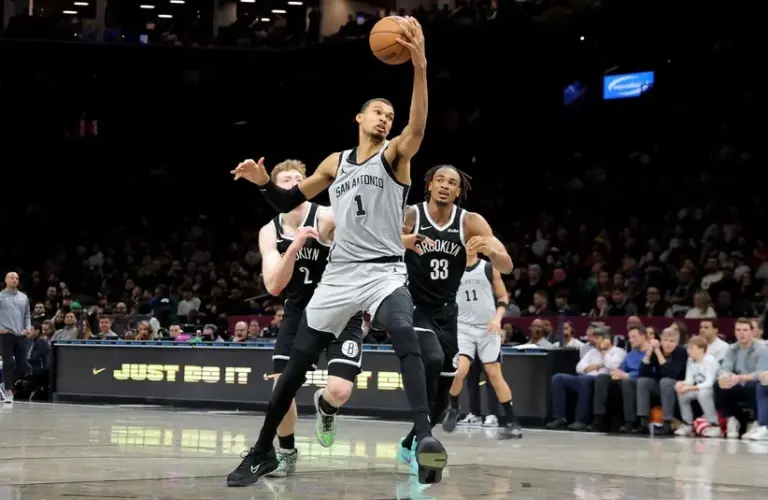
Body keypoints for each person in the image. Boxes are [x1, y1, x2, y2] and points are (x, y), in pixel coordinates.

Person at [227, 17, 447, 487]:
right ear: (359, 119)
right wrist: (263, 181)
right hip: (341, 274)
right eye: (377, 111)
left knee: (406, 333)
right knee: (295, 368)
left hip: (384, 272)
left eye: (389, 113)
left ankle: (424, 439)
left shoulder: (395, 156)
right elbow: (290, 201)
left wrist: (420, 65)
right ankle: (264, 449)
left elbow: (419, 124)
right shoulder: (336, 162)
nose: (385, 117)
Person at [396, 165, 513, 467]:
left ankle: (413, 439)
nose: (446, 186)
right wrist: (403, 241)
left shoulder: (471, 222)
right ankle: (423, 441)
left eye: (452, 183)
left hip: (448, 313)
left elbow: (508, 265)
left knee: (443, 397)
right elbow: (380, 245)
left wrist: (491, 249)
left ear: (459, 191)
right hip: (415, 307)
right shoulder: (411, 215)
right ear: (430, 185)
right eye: (440, 180)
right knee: (432, 359)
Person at [257, 159, 364, 476]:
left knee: (341, 390)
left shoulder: (329, 215)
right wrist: (295, 247)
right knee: (282, 392)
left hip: (340, 309)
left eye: (297, 179)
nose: (292, 183)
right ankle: (287, 451)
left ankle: (327, 407)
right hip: (298, 313)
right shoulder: (269, 231)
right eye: (285, 179)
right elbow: (274, 285)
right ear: (276, 188)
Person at [442, 247, 520, 438]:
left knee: (494, 373)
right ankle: (453, 408)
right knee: (460, 370)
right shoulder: (451, 269)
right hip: (463, 328)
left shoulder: (488, 268)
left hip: (488, 328)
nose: (469, 245)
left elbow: (503, 297)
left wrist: (498, 318)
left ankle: (512, 421)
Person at [674, 335, 721, 437]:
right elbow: (690, 380)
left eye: (692, 348)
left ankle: (715, 425)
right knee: (683, 394)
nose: (688, 351)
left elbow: (709, 383)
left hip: (715, 390)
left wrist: (690, 387)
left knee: (703, 393)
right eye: (688, 348)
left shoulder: (710, 360)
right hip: (699, 388)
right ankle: (688, 424)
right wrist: (681, 384)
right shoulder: (690, 360)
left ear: (701, 349)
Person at [0, 272, 32, 404]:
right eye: (12, 278)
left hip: (20, 334)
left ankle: (5, 383)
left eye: (17, 278)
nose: (15, 280)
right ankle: (8, 389)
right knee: (8, 362)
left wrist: (28, 328)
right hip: (5, 334)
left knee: (23, 365)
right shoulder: (1, 296)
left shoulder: (23, 297)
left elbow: (27, 315)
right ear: (6, 280)